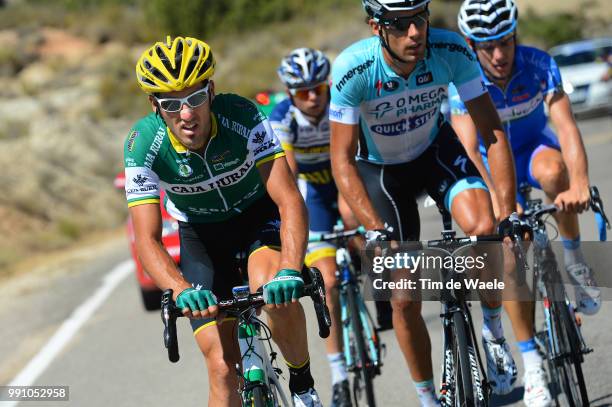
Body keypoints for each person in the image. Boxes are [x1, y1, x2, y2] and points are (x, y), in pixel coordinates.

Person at [329, 0, 519, 405]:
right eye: (400, 24)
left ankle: (494, 332)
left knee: (485, 228)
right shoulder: (353, 68)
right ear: (376, 27)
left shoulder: (450, 50)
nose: (415, 33)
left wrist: (507, 208)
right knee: (403, 295)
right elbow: (341, 161)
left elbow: (492, 132)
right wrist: (373, 229)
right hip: (380, 172)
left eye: (420, 19)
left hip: (433, 151)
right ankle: (428, 397)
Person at [125, 36, 323, 407]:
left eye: (195, 98)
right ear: (155, 106)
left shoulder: (242, 116)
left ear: (211, 91)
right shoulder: (142, 144)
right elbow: (147, 240)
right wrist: (181, 289)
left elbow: (288, 200)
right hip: (202, 237)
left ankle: (303, 385)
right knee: (220, 368)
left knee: (273, 290)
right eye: (171, 104)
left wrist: (291, 271)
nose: (186, 114)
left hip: (256, 220)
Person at [451, 1, 599, 405]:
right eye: (487, 46)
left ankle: (574, 259)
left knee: (556, 174)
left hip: (534, 152)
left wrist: (580, 184)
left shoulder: (539, 64)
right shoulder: (462, 79)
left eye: (505, 42)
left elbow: (566, 129)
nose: (499, 55)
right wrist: (503, 208)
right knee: (514, 254)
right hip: (494, 170)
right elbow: (471, 150)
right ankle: (532, 363)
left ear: (515, 35)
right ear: (470, 44)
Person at [269, 47, 353, 407]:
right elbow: (289, 175)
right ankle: (338, 374)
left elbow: (358, 155)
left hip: (347, 182)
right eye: (304, 92)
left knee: (360, 231)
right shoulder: (282, 118)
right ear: (290, 94)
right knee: (328, 282)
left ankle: (377, 288)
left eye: (319, 88)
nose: (314, 97)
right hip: (313, 195)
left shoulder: (342, 102)